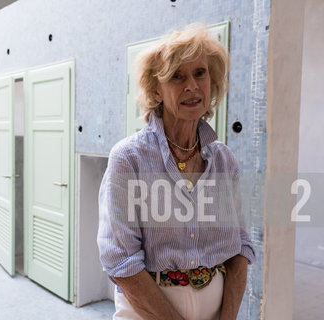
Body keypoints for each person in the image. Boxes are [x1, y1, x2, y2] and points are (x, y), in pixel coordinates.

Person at [97, 23, 255, 320]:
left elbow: (240, 248)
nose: (192, 86)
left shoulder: (223, 160)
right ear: (156, 89)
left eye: (200, 73)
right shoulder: (129, 159)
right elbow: (122, 262)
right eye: (176, 76)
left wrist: (229, 317)